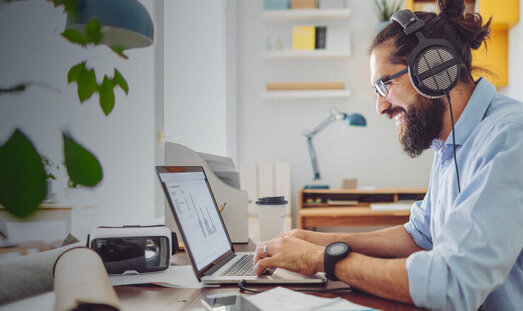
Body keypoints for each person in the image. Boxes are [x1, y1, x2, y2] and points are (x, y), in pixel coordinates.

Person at [253, 1, 523, 310]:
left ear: (432, 68)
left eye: (384, 85)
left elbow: (453, 283)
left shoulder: (509, 138)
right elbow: (419, 236)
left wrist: (322, 259)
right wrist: (315, 240)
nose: (380, 107)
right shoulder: (451, 141)